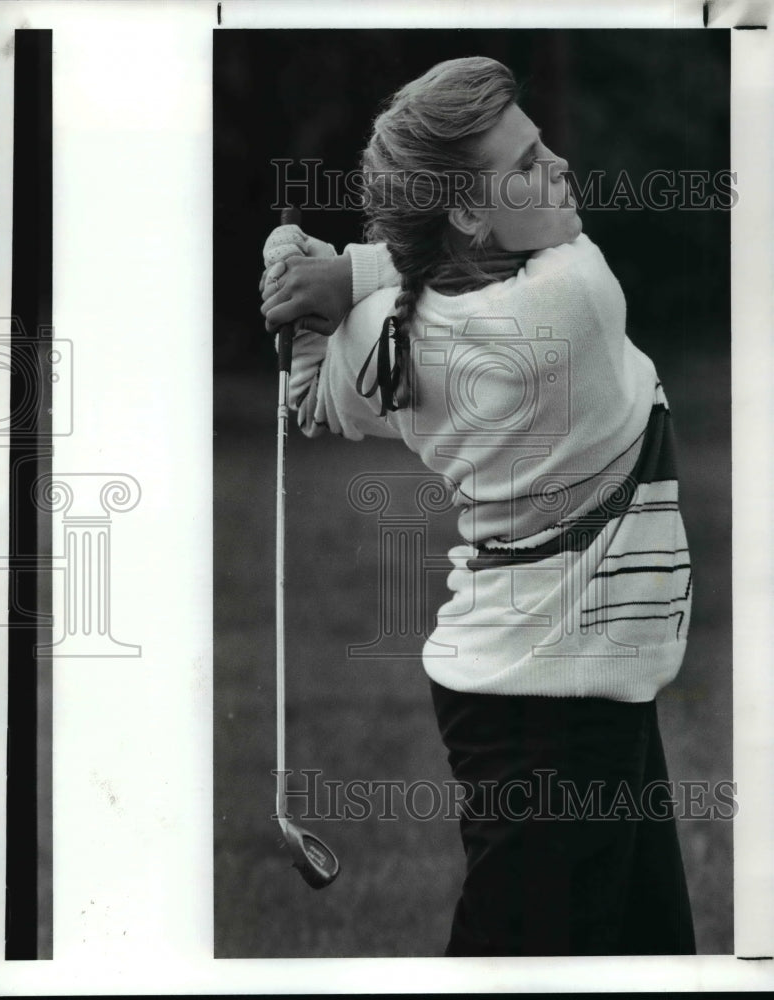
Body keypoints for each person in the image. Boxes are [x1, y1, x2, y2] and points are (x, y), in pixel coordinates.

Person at [260, 56, 696, 956]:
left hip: (543, 689)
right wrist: (345, 270)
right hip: (553, 704)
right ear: (464, 211)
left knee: (647, 951)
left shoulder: (396, 336)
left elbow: (313, 397)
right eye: (528, 163)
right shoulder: (572, 300)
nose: (560, 168)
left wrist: (314, 278)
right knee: (520, 962)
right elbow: (546, 250)